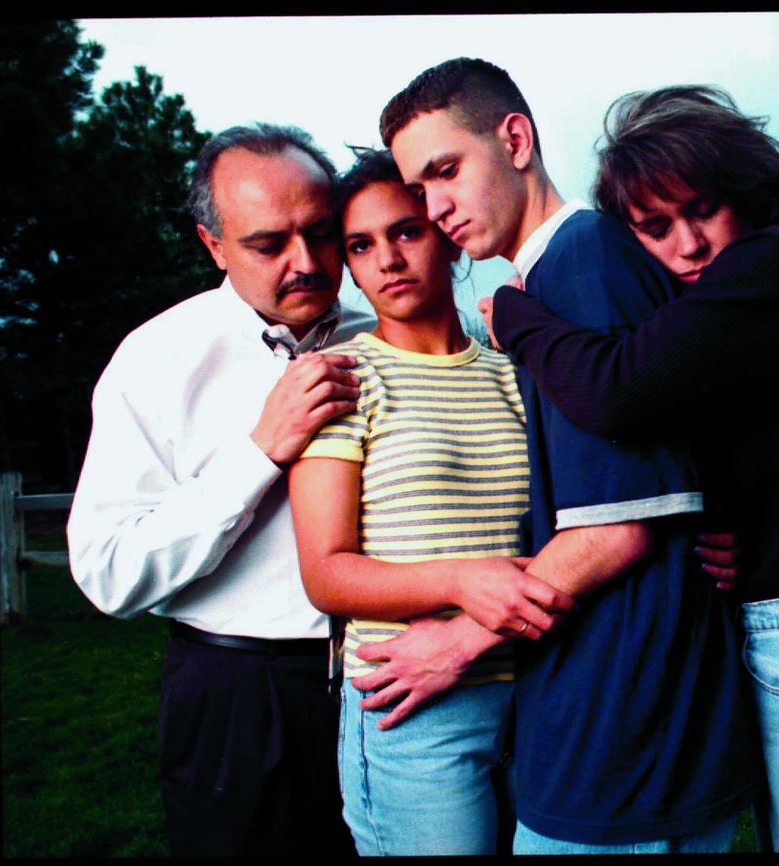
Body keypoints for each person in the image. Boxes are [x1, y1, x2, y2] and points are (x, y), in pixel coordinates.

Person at [483, 85, 779, 852]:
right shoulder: (744, 293)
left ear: (745, 191)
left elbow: (621, 389)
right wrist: (741, 522)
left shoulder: (775, 260)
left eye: (702, 210)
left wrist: (516, 314)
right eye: (654, 229)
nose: (687, 245)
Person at [368, 58, 753, 854]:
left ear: (514, 139)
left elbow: (623, 523)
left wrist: (458, 641)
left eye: (446, 171)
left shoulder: (586, 263)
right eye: (419, 188)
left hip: (625, 738)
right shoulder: (548, 284)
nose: (435, 208)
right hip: (615, 720)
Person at [66, 123, 373, 857]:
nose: (305, 263)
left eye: (320, 232)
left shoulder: (388, 337)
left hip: (393, 682)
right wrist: (258, 454)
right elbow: (108, 574)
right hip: (241, 698)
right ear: (213, 246)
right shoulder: (156, 359)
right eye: (269, 245)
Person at [286, 147, 575, 855]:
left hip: (536, 692)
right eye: (361, 244)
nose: (386, 259)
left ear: (447, 236)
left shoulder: (515, 372)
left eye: (405, 231)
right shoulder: (342, 377)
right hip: (412, 709)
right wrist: (459, 580)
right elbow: (325, 573)